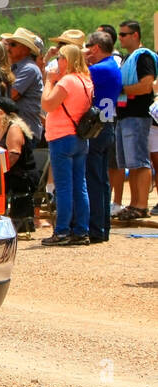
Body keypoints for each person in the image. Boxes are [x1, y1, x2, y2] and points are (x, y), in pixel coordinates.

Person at [40, 44, 93, 246]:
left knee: (63, 187)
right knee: (80, 186)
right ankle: (81, 230)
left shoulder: (68, 81)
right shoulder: (86, 80)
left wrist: (48, 82)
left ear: (68, 60)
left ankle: (62, 231)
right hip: (79, 138)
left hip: (62, 137)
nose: (58, 61)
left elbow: (47, 104)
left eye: (61, 57)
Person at [113, 19, 156, 220]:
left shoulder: (143, 57)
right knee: (132, 162)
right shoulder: (128, 58)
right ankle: (134, 204)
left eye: (123, 34)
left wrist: (120, 89)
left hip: (138, 115)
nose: (120, 38)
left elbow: (146, 86)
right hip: (125, 116)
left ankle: (141, 205)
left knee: (140, 161)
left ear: (135, 35)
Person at [83, 30, 122, 242]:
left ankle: (96, 229)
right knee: (102, 180)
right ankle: (103, 228)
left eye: (89, 46)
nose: (87, 50)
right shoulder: (112, 66)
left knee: (95, 180)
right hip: (108, 124)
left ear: (96, 48)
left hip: (97, 128)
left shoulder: (98, 69)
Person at [0, 96, 36, 234]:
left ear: (0, 113)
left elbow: (14, 155)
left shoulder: (13, 128)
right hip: (12, 173)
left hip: (22, 176)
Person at [0, 27, 44, 144]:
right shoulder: (17, 68)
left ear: (26, 49)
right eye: (8, 44)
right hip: (19, 128)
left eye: (13, 44)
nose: (8, 48)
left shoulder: (29, 69)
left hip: (26, 129)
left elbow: (12, 95)